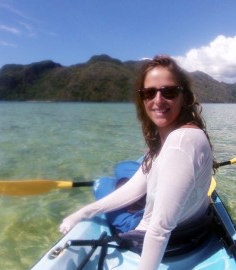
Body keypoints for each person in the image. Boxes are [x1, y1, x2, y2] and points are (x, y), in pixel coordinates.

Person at [59, 55, 217, 269]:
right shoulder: (179, 136)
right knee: (126, 168)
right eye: (149, 93)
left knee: (104, 183)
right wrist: (82, 213)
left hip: (156, 233)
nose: (158, 100)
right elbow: (135, 188)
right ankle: (131, 184)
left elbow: (159, 230)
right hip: (193, 223)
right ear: (142, 100)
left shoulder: (181, 142)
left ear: (184, 97)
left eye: (168, 91)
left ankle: (122, 195)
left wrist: (84, 212)